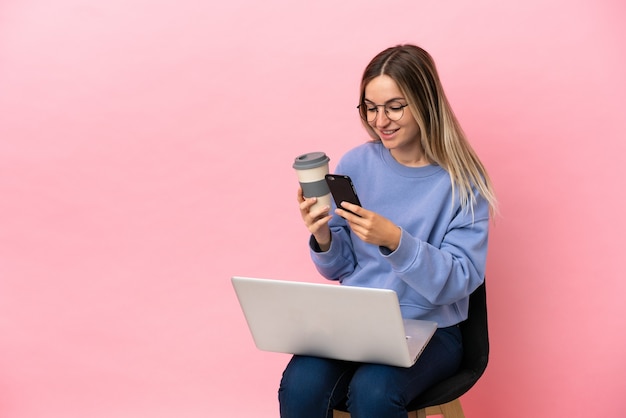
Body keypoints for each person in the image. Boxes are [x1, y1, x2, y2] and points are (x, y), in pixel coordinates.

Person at [278, 44, 497, 418]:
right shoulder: (356, 163)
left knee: (375, 391)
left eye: (395, 106)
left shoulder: (463, 184)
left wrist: (396, 241)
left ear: (425, 102)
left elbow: (462, 279)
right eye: (371, 107)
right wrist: (324, 238)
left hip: (431, 327)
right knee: (300, 384)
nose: (381, 120)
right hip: (356, 322)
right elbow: (338, 269)